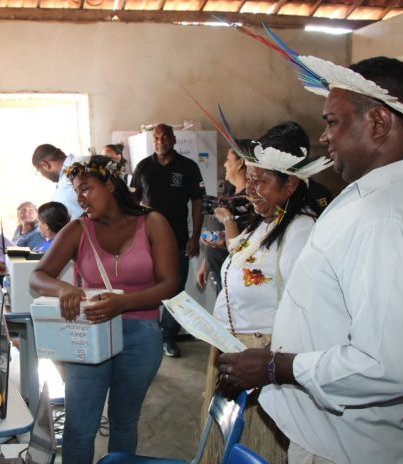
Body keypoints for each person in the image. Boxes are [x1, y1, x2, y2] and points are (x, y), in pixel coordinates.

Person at [216, 57, 403, 463]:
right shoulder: (375, 197)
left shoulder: (387, 219)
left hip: (347, 448)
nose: (325, 138)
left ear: (378, 123)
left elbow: (385, 365)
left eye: (333, 122)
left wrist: (276, 368)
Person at [30, 155, 178, 464]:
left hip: (142, 336)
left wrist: (123, 303)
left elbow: (169, 284)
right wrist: (66, 289)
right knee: (79, 426)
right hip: (90, 334)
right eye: (76, 191)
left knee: (124, 422)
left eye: (87, 188)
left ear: (110, 185)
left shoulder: (152, 223)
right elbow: (38, 276)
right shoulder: (77, 230)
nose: (80, 197)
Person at [199, 122, 331, 464]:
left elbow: (302, 319)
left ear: (290, 184)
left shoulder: (300, 231)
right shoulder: (265, 223)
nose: (251, 189)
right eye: (251, 178)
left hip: (258, 365)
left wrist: (259, 369)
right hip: (236, 357)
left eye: (262, 182)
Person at [131, 123, 205, 357]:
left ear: (173, 139)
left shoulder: (188, 167)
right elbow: (131, 202)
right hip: (146, 242)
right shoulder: (143, 167)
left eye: (165, 137)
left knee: (176, 290)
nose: (160, 141)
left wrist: (195, 236)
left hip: (179, 240)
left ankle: (169, 337)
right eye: (156, 137)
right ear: (152, 141)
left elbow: (198, 202)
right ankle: (148, 335)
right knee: (146, 288)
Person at [196, 140, 250, 294]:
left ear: (240, 163)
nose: (225, 165)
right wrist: (206, 263)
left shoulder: (249, 201)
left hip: (235, 278)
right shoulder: (232, 193)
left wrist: (227, 219)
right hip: (219, 270)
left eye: (228, 160)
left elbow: (243, 243)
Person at [32, 143, 84, 219]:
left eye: (39, 172)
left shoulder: (79, 167)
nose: (43, 176)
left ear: (44, 165)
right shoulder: (83, 159)